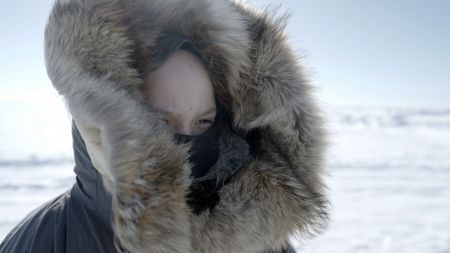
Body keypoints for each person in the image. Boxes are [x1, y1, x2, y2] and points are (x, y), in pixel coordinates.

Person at [0, 0, 329, 253]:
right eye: (160, 123)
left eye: (204, 121)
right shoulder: (46, 242)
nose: (188, 145)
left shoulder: (261, 243)